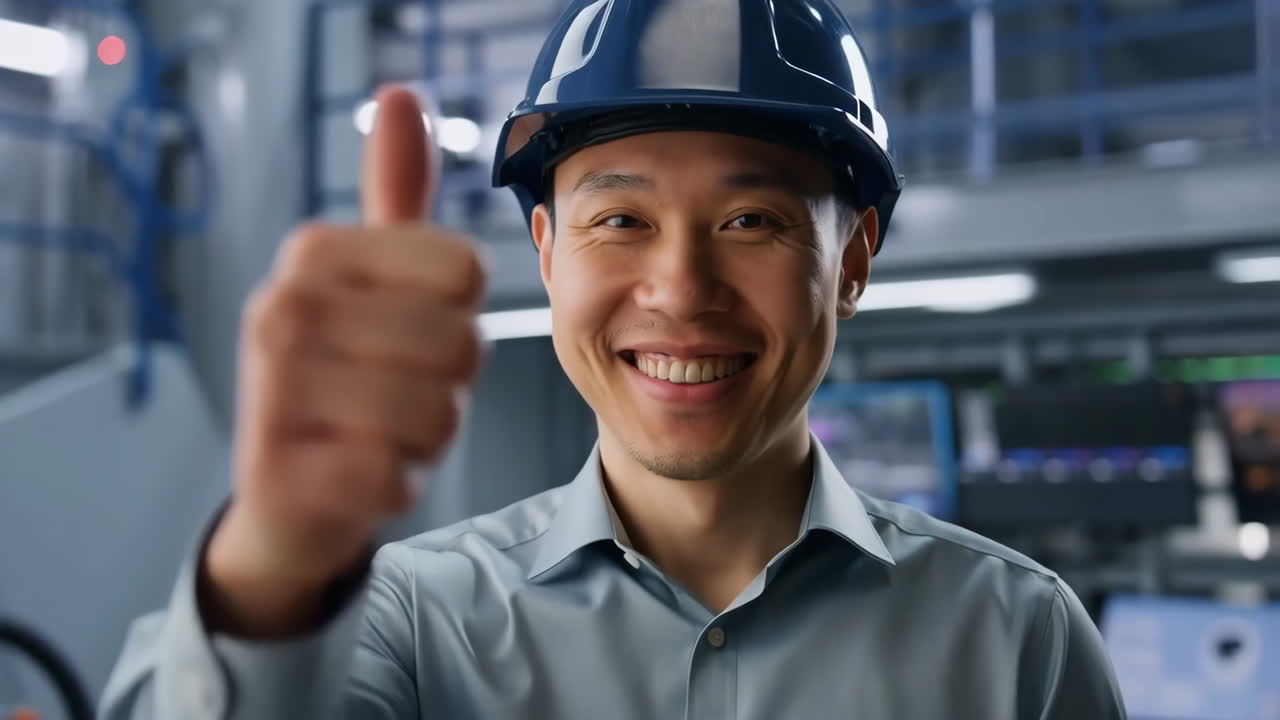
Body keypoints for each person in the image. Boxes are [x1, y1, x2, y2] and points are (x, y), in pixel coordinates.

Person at [100, 1, 1127, 718]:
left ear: (852, 260)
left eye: (749, 218)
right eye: (621, 218)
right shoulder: (411, 624)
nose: (678, 290)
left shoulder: (1015, 640)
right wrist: (273, 556)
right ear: (545, 255)